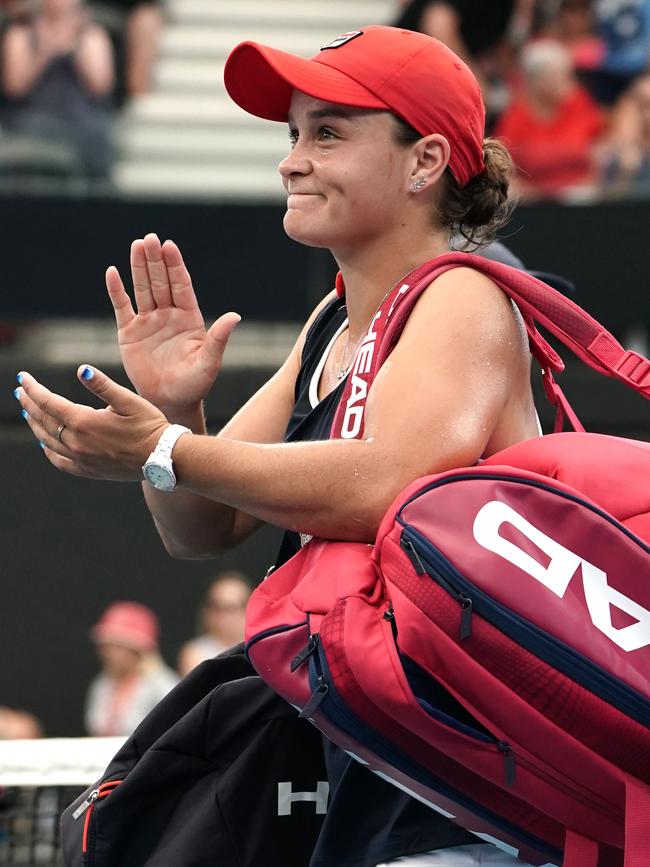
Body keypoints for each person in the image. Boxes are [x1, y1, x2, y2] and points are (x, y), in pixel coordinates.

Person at [16, 24, 543, 866]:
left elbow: (388, 483)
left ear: (426, 162)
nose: (292, 159)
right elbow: (197, 530)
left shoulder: (464, 294)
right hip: (369, 779)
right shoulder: (331, 322)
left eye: (328, 132)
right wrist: (176, 409)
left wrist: (169, 449)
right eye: (293, 133)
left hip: (465, 806)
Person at [0, 0, 115, 179]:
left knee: (96, 136)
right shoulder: (20, 32)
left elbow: (100, 87)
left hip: (79, 122)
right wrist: (44, 51)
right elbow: (14, 87)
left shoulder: (92, 34)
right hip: (30, 118)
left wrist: (76, 44)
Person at [494, 38, 605, 199]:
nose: (571, 83)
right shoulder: (516, 116)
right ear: (538, 81)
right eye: (563, 76)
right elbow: (500, 168)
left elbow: (601, 147)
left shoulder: (579, 101)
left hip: (580, 195)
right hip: (533, 201)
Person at [85, 601, 178, 737]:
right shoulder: (102, 683)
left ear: (137, 650)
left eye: (117, 646)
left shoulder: (162, 685)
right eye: (105, 646)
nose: (107, 653)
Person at [177, 570, 251, 676]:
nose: (224, 616)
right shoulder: (195, 653)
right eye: (217, 607)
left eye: (232, 608)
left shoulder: (258, 651)